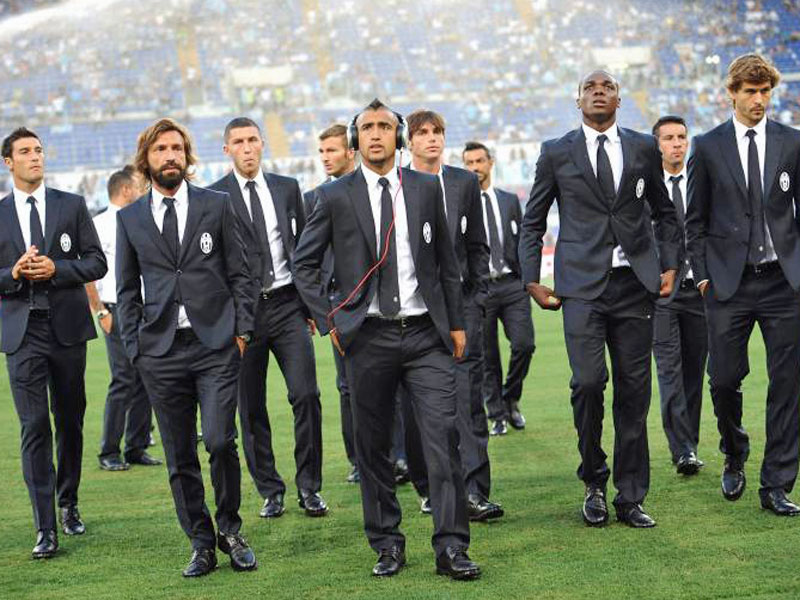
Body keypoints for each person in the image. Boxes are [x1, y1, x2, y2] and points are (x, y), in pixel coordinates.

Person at [294, 99, 480, 580]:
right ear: (356, 141)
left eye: (384, 127)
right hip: (367, 338)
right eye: (367, 128)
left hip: (425, 335)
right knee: (373, 448)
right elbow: (304, 265)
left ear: (398, 136)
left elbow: (445, 262)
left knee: (443, 438)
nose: (376, 134)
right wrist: (330, 321)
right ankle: (387, 544)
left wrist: (456, 322)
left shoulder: (423, 187)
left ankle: (452, 547)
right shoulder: (334, 196)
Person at [520, 70, 680, 528]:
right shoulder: (556, 152)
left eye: (606, 86)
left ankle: (630, 497)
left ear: (619, 98)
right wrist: (532, 278)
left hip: (635, 285)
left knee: (634, 393)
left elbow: (665, 214)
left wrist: (670, 265)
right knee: (588, 383)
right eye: (590, 87)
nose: (598, 92)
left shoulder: (644, 148)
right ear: (577, 101)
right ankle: (593, 480)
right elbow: (534, 221)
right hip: (581, 289)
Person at [116, 118, 257, 576]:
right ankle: (200, 542)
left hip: (215, 345)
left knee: (219, 441)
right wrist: (137, 348)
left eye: (177, 148)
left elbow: (241, 271)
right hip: (160, 352)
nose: (170, 156)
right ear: (147, 160)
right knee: (179, 454)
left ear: (188, 156)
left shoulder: (216, 205)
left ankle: (230, 529)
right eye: (161, 150)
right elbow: (126, 291)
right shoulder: (129, 218)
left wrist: (241, 331)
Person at [686, 54, 800, 515]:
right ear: (731, 93)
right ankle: (734, 451)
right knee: (725, 379)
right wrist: (704, 276)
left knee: (788, 384)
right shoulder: (708, 146)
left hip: (783, 283)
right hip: (727, 285)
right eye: (750, 91)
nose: (759, 100)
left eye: (765, 91)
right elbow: (694, 219)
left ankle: (776, 484)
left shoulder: (792, 142)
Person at [209, 117, 327, 519]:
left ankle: (309, 487)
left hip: (288, 305)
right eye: (238, 142)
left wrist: (311, 305)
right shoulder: (214, 197)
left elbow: (304, 251)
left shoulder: (288, 188)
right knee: (251, 406)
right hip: (243, 315)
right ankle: (270, 489)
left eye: (252, 140)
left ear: (263, 144)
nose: (247, 147)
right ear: (226, 149)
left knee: (306, 395)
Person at [0, 127, 107, 558]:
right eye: (25, 152)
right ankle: (45, 527)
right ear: (8, 162)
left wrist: (55, 269)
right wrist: (14, 273)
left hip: (65, 330)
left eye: (39, 150)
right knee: (34, 426)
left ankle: (69, 502)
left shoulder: (72, 205)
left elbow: (96, 262)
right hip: (22, 333)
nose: (35, 157)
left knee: (70, 420)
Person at [401, 108, 500, 522]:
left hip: (462, 308)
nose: (432, 138)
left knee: (468, 401)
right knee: (418, 410)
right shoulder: (397, 184)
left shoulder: (463, 182)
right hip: (416, 314)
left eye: (438, 131)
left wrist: (477, 298)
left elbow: (477, 245)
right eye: (422, 133)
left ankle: (474, 491)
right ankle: (428, 487)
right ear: (409, 142)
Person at [86, 165, 161, 472]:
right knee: (123, 379)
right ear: (126, 189)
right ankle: (108, 450)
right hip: (116, 309)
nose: (143, 190)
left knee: (146, 376)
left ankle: (136, 445)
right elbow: (88, 274)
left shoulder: (139, 220)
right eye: (138, 186)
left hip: (146, 308)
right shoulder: (100, 224)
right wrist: (100, 310)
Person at [462, 141, 535, 437]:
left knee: (524, 344)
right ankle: (497, 415)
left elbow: (523, 239)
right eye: (469, 163)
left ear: (491, 163)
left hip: (512, 284)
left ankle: (510, 397)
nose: (475, 168)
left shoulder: (508, 200)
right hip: (480, 288)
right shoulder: (461, 206)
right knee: (487, 356)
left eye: (479, 161)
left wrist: (527, 277)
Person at [650, 116, 707, 476]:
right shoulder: (646, 187)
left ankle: (691, 443)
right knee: (669, 371)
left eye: (681, 137)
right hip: (661, 296)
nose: (677, 144)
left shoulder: (701, 184)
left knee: (693, 374)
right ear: (657, 145)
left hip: (699, 292)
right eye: (669, 138)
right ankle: (682, 448)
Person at [302, 124, 360, 484]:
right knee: (347, 386)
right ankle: (359, 460)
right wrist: (317, 309)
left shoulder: (373, 191)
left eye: (332, 151)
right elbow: (307, 258)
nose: (325, 158)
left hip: (377, 299)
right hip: (339, 303)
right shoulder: (314, 198)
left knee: (396, 386)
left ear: (350, 152)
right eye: (321, 152)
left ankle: (400, 456)